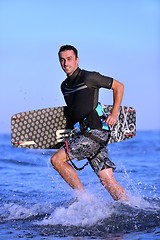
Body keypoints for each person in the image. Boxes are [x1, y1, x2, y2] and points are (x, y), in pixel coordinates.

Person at [51, 44, 127, 201]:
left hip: (95, 132)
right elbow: (76, 111)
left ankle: (85, 200)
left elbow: (119, 86)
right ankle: (130, 206)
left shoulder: (88, 77)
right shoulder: (64, 87)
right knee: (107, 179)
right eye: (62, 60)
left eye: (69, 59)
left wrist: (114, 113)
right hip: (87, 135)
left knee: (57, 160)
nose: (66, 63)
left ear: (77, 60)